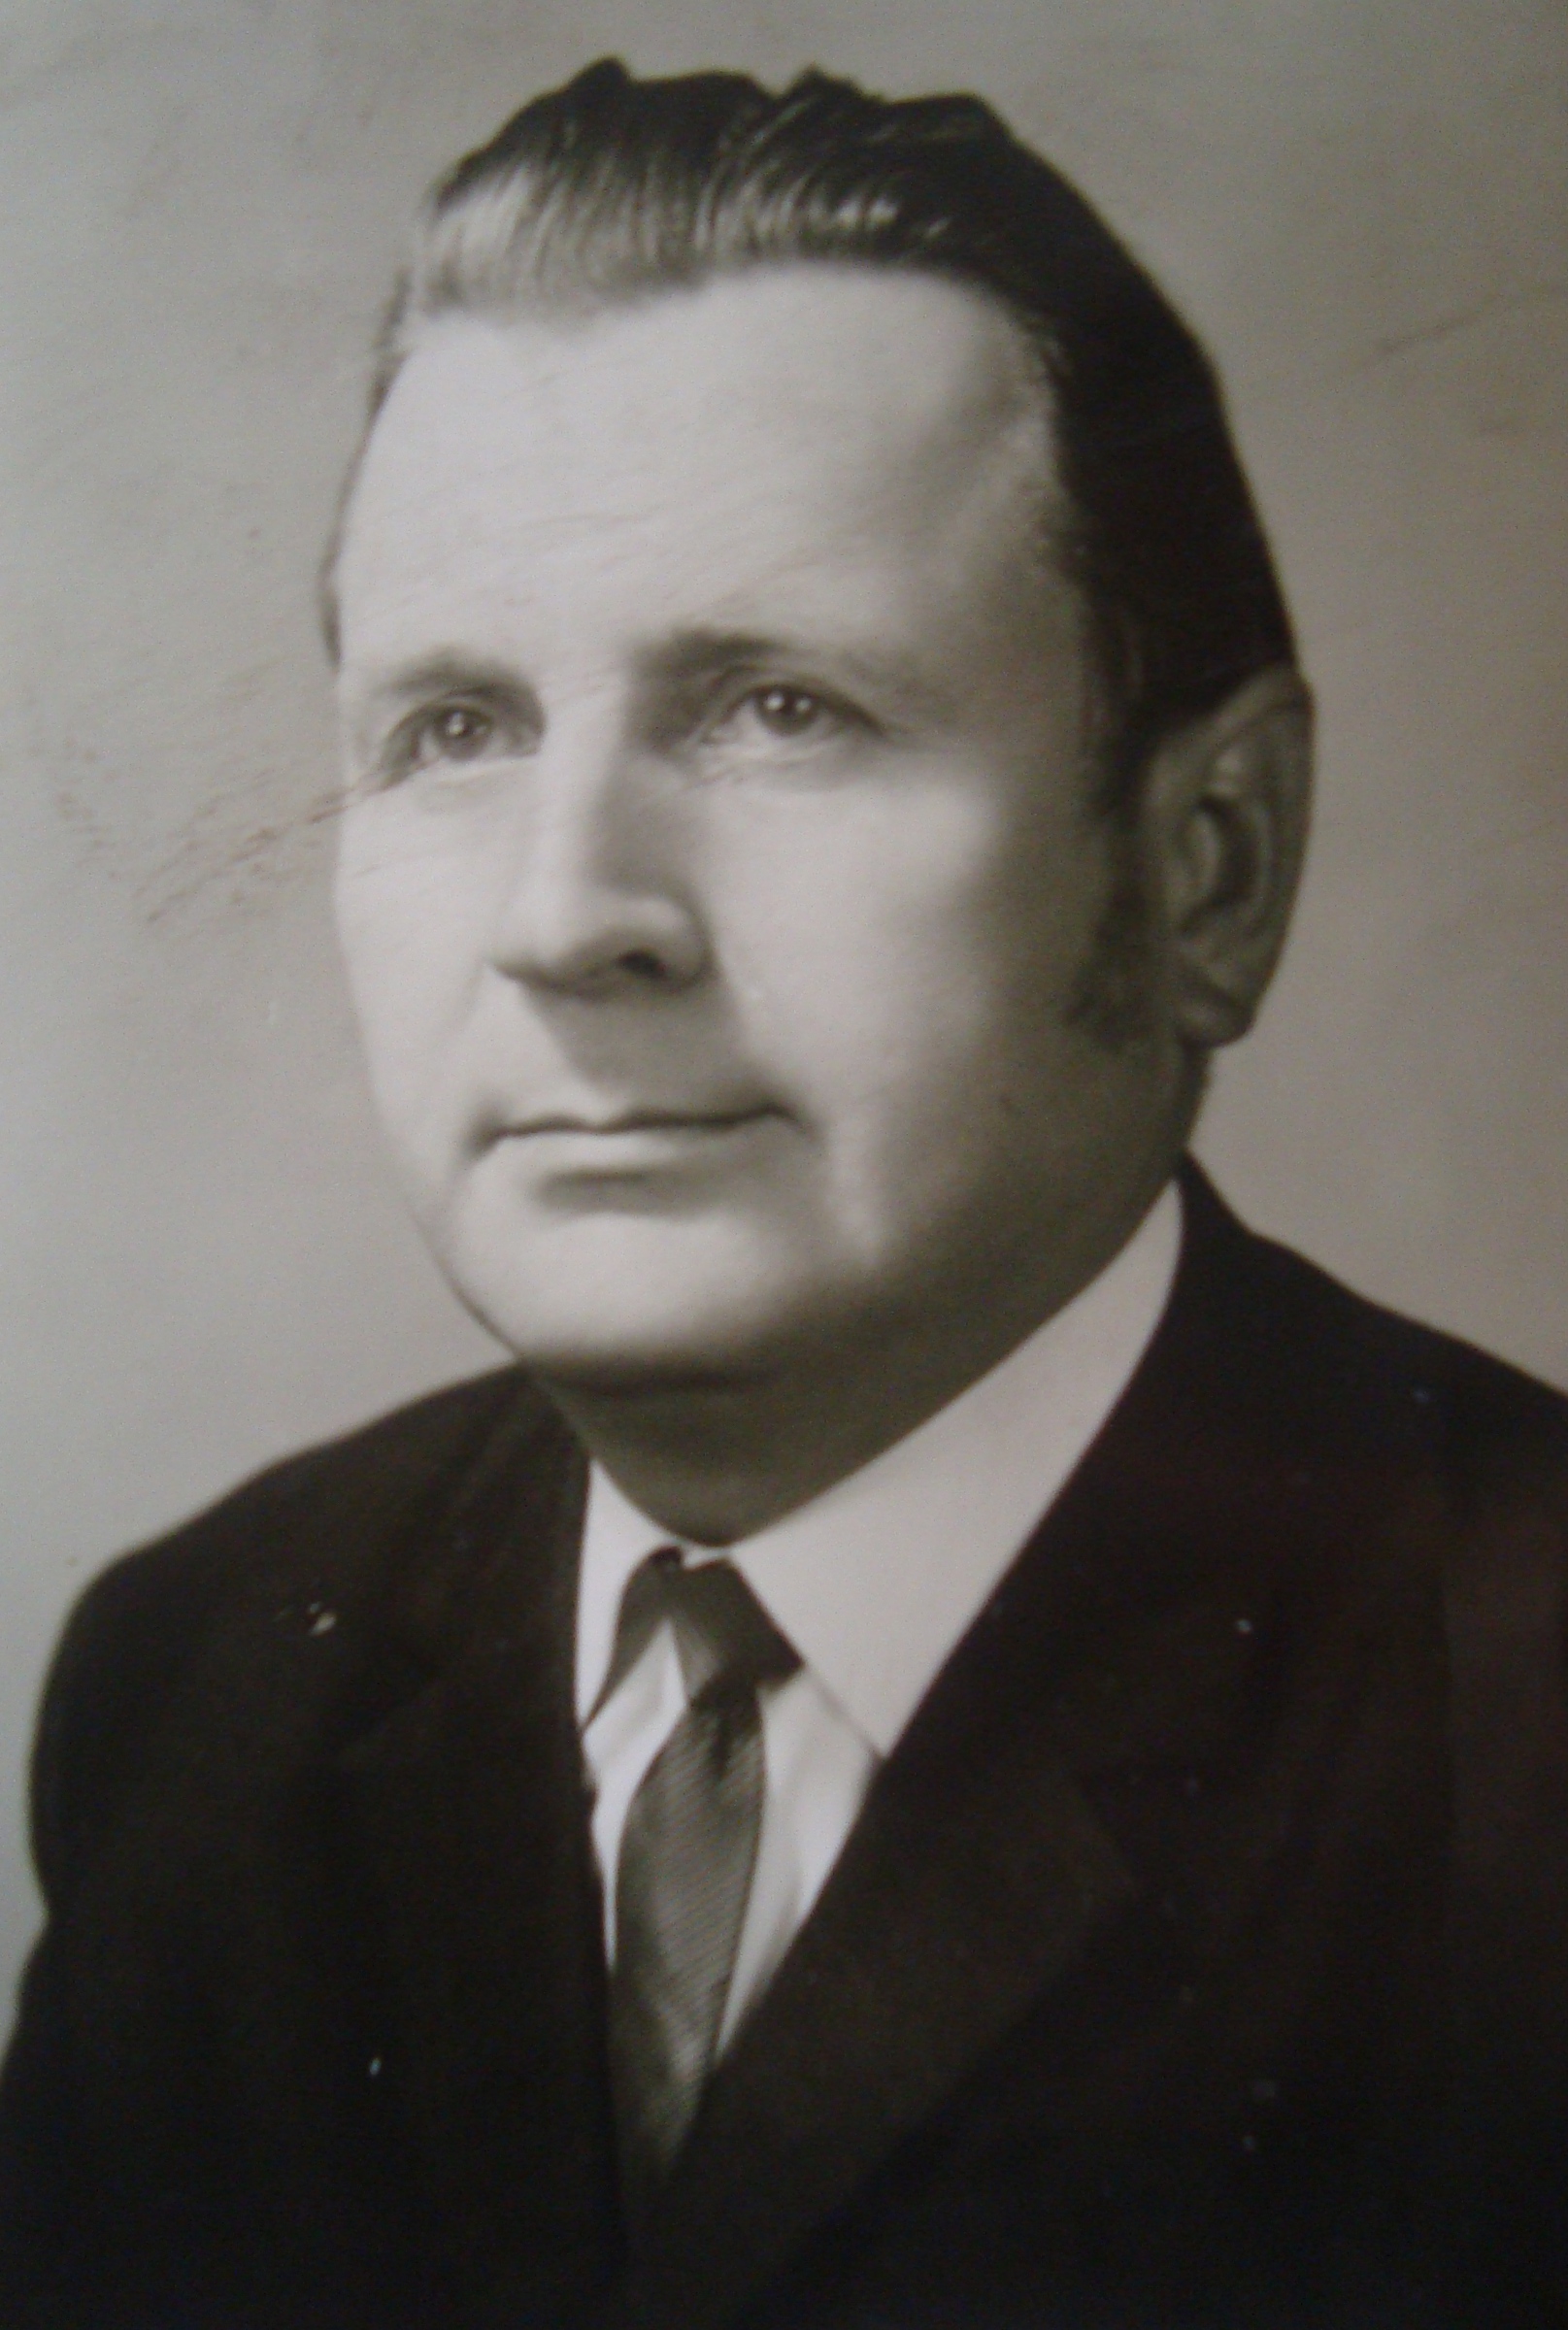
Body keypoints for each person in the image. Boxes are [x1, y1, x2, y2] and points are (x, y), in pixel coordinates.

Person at [1, 58, 1564, 2330]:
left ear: (1208, 865)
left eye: (781, 709)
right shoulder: (203, 1683)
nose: (570, 918)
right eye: (454, 728)